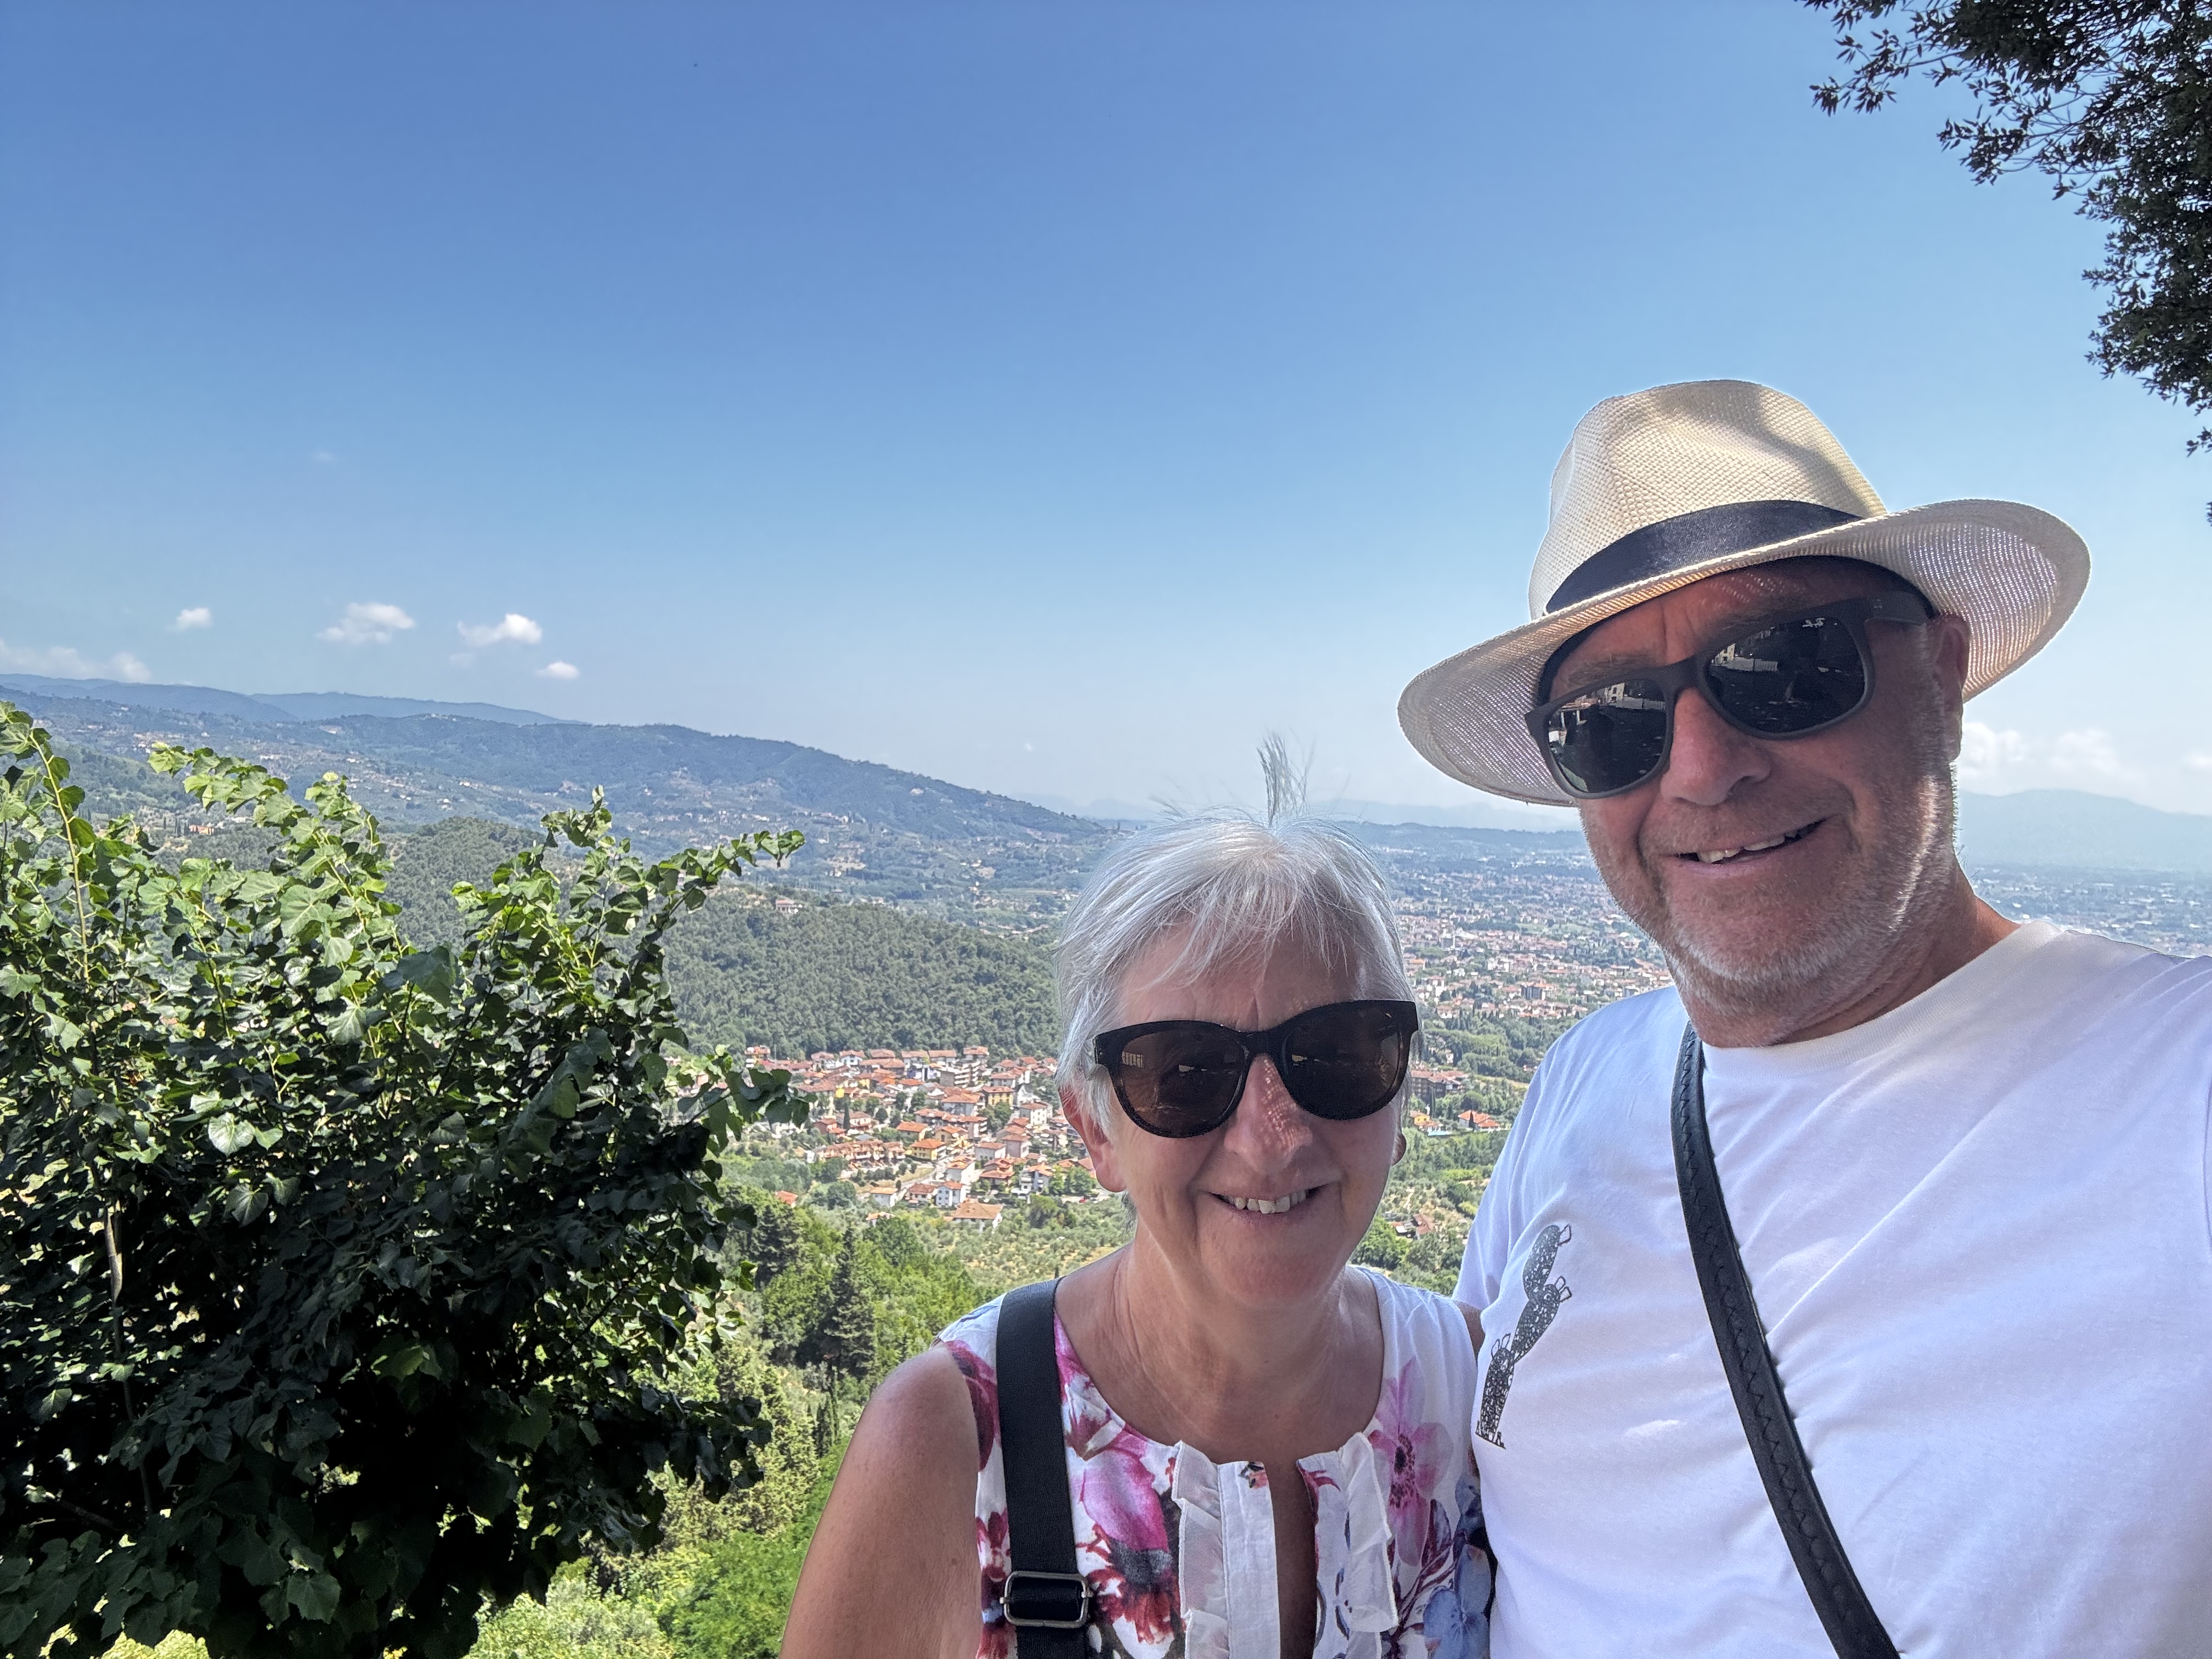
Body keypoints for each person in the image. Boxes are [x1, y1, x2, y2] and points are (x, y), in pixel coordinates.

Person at [1395, 378, 2212, 1657]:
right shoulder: (1582, 1080)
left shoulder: (2181, 1088)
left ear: (1941, 674)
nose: (1703, 768)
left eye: (1785, 665)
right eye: (1610, 725)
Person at [782, 805, 1489, 1659]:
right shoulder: (952, 1438)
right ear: (1095, 1131)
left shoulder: (1479, 1395)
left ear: (1400, 1097)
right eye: (1186, 1072)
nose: (1271, 1139)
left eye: (1336, 1054)